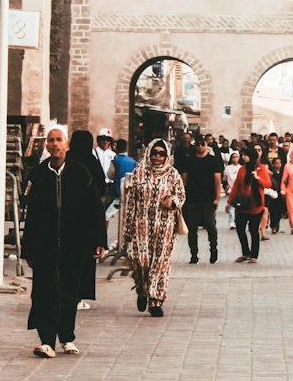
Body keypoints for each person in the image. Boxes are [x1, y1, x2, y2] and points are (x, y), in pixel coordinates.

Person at [22, 127, 107, 357]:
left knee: (70, 290)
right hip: (45, 242)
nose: (55, 144)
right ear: (46, 146)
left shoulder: (80, 172)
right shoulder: (39, 174)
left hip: (75, 241)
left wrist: (99, 239)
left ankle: (66, 336)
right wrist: (28, 248)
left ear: (66, 145)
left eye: (59, 140)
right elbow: (31, 214)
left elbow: (94, 208)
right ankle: (47, 340)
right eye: (51, 140)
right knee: (44, 290)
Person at [121, 138, 186, 317]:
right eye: (154, 153)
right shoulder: (139, 173)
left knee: (160, 264)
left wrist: (173, 202)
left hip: (165, 227)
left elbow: (181, 196)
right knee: (140, 261)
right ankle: (142, 289)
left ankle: (156, 300)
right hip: (141, 227)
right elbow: (130, 203)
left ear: (167, 155)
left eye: (162, 153)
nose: (157, 156)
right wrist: (127, 229)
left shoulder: (172, 174)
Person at [67, 129, 108, 311]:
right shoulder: (92, 162)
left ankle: (65, 294)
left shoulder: (66, 160)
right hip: (86, 219)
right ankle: (77, 296)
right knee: (83, 259)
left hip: (65, 217)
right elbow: (100, 187)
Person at [181, 134, 222, 263]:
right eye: (197, 144)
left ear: (206, 144)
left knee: (210, 226)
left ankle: (213, 250)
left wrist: (217, 198)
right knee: (192, 229)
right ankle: (194, 254)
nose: (200, 146)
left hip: (208, 199)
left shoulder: (213, 160)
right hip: (192, 199)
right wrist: (182, 196)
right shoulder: (189, 160)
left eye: (202, 144)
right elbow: (184, 179)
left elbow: (217, 180)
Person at [227, 147, 272, 263]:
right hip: (243, 204)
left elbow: (268, 184)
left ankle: (254, 255)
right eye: (242, 155)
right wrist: (229, 202)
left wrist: (258, 179)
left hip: (256, 205)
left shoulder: (261, 168)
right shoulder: (242, 169)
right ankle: (245, 252)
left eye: (245, 155)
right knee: (240, 228)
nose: (243, 157)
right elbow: (237, 186)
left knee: (253, 230)